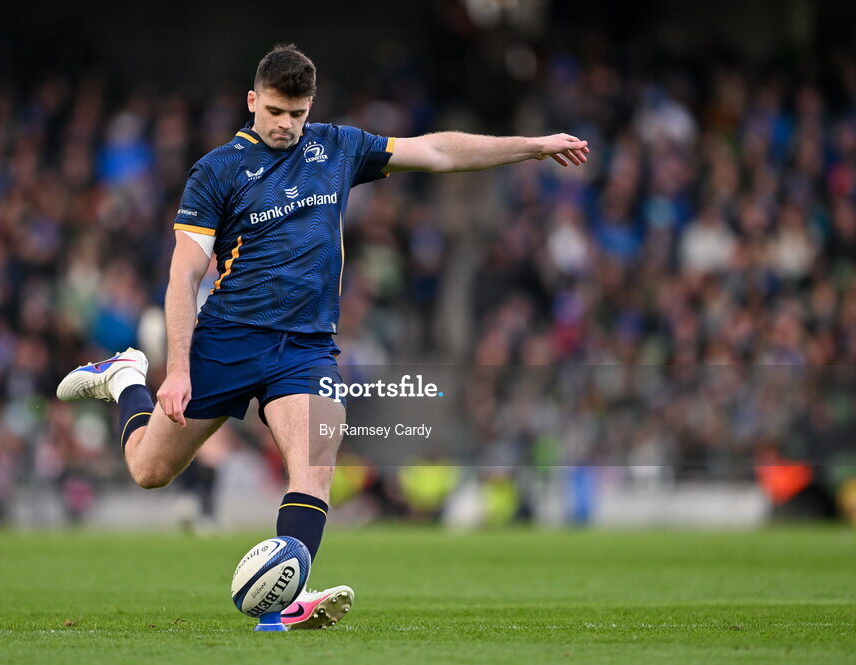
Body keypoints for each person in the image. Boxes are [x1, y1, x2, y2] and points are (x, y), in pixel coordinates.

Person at [57, 43, 589, 629]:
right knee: (149, 471)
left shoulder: (337, 147)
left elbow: (436, 150)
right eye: (278, 111)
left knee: (314, 468)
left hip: (306, 348)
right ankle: (125, 379)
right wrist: (175, 370)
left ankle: (283, 605)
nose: (287, 125)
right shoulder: (216, 171)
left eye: (299, 113)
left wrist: (532, 148)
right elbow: (183, 275)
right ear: (253, 101)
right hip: (229, 339)